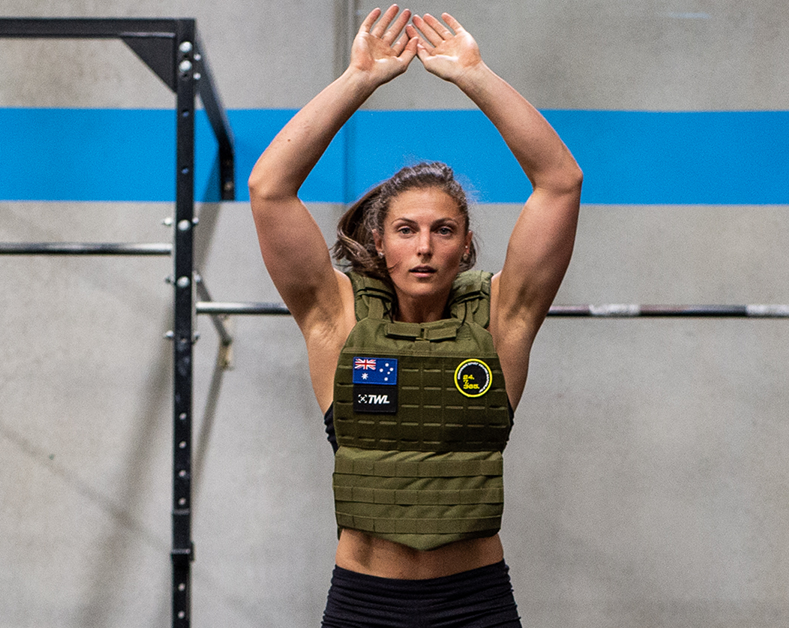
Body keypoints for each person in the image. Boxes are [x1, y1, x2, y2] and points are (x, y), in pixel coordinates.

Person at [247, 6, 581, 626]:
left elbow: (560, 181)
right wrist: (359, 80)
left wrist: (475, 76)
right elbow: (269, 188)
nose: (424, 246)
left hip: (474, 603)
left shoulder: (502, 318)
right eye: (406, 230)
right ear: (379, 242)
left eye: (442, 230)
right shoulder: (336, 318)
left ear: (465, 246)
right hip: (365, 602)